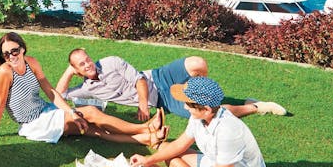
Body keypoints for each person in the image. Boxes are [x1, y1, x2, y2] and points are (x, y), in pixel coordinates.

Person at [0, 33, 165, 146]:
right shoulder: (3, 73)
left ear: (22, 49)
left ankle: (145, 139)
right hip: (33, 123)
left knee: (91, 128)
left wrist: (70, 111)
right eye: (6, 54)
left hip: (46, 110)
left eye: (14, 51)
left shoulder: (32, 63)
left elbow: (51, 92)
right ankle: (145, 128)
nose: (11, 56)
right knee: (91, 113)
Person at [131, 76, 267, 167]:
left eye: (189, 104)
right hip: (214, 164)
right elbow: (179, 145)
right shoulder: (198, 117)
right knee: (165, 149)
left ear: (207, 109)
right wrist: (148, 160)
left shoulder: (228, 131)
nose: (185, 107)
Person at [55, 49, 287, 120]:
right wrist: (68, 71)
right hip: (163, 100)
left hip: (159, 77)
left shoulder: (110, 61)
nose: (87, 65)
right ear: (77, 70)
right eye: (81, 65)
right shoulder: (85, 88)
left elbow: (140, 80)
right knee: (206, 114)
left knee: (197, 63)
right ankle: (255, 107)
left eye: (87, 60)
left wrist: (143, 107)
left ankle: (198, 91)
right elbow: (59, 96)